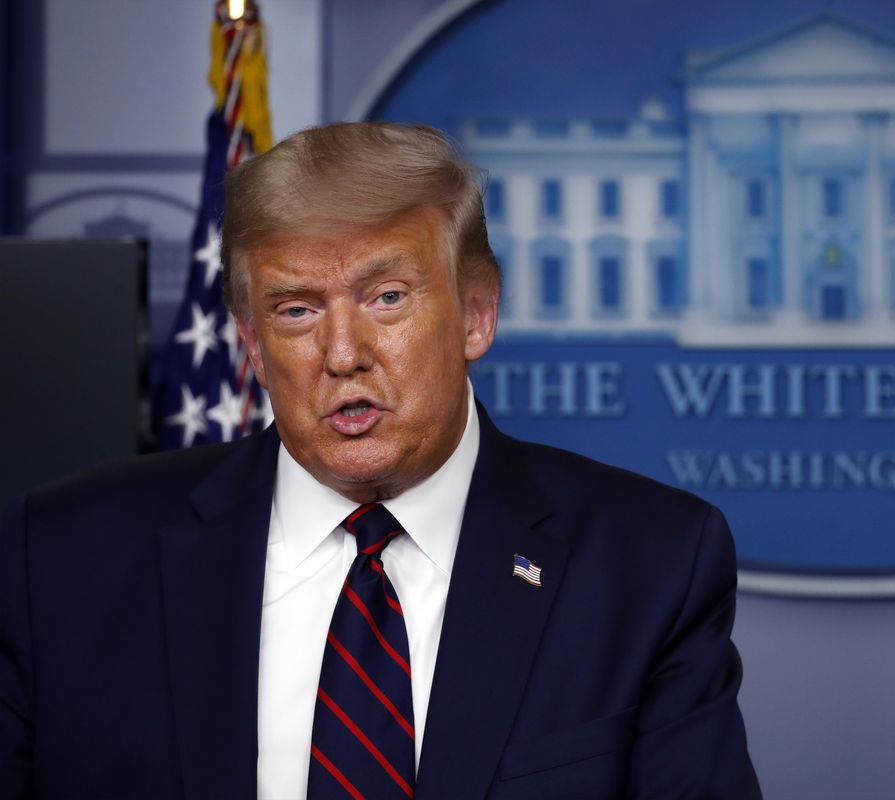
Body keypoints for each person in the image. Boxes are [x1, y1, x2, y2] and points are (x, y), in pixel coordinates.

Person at [0, 122, 761, 799]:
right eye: (296, 309)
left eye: (387, 297)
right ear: (253, 345)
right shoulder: (63, 558)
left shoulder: (649, 563)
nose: (343, 354)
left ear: (477, 313)